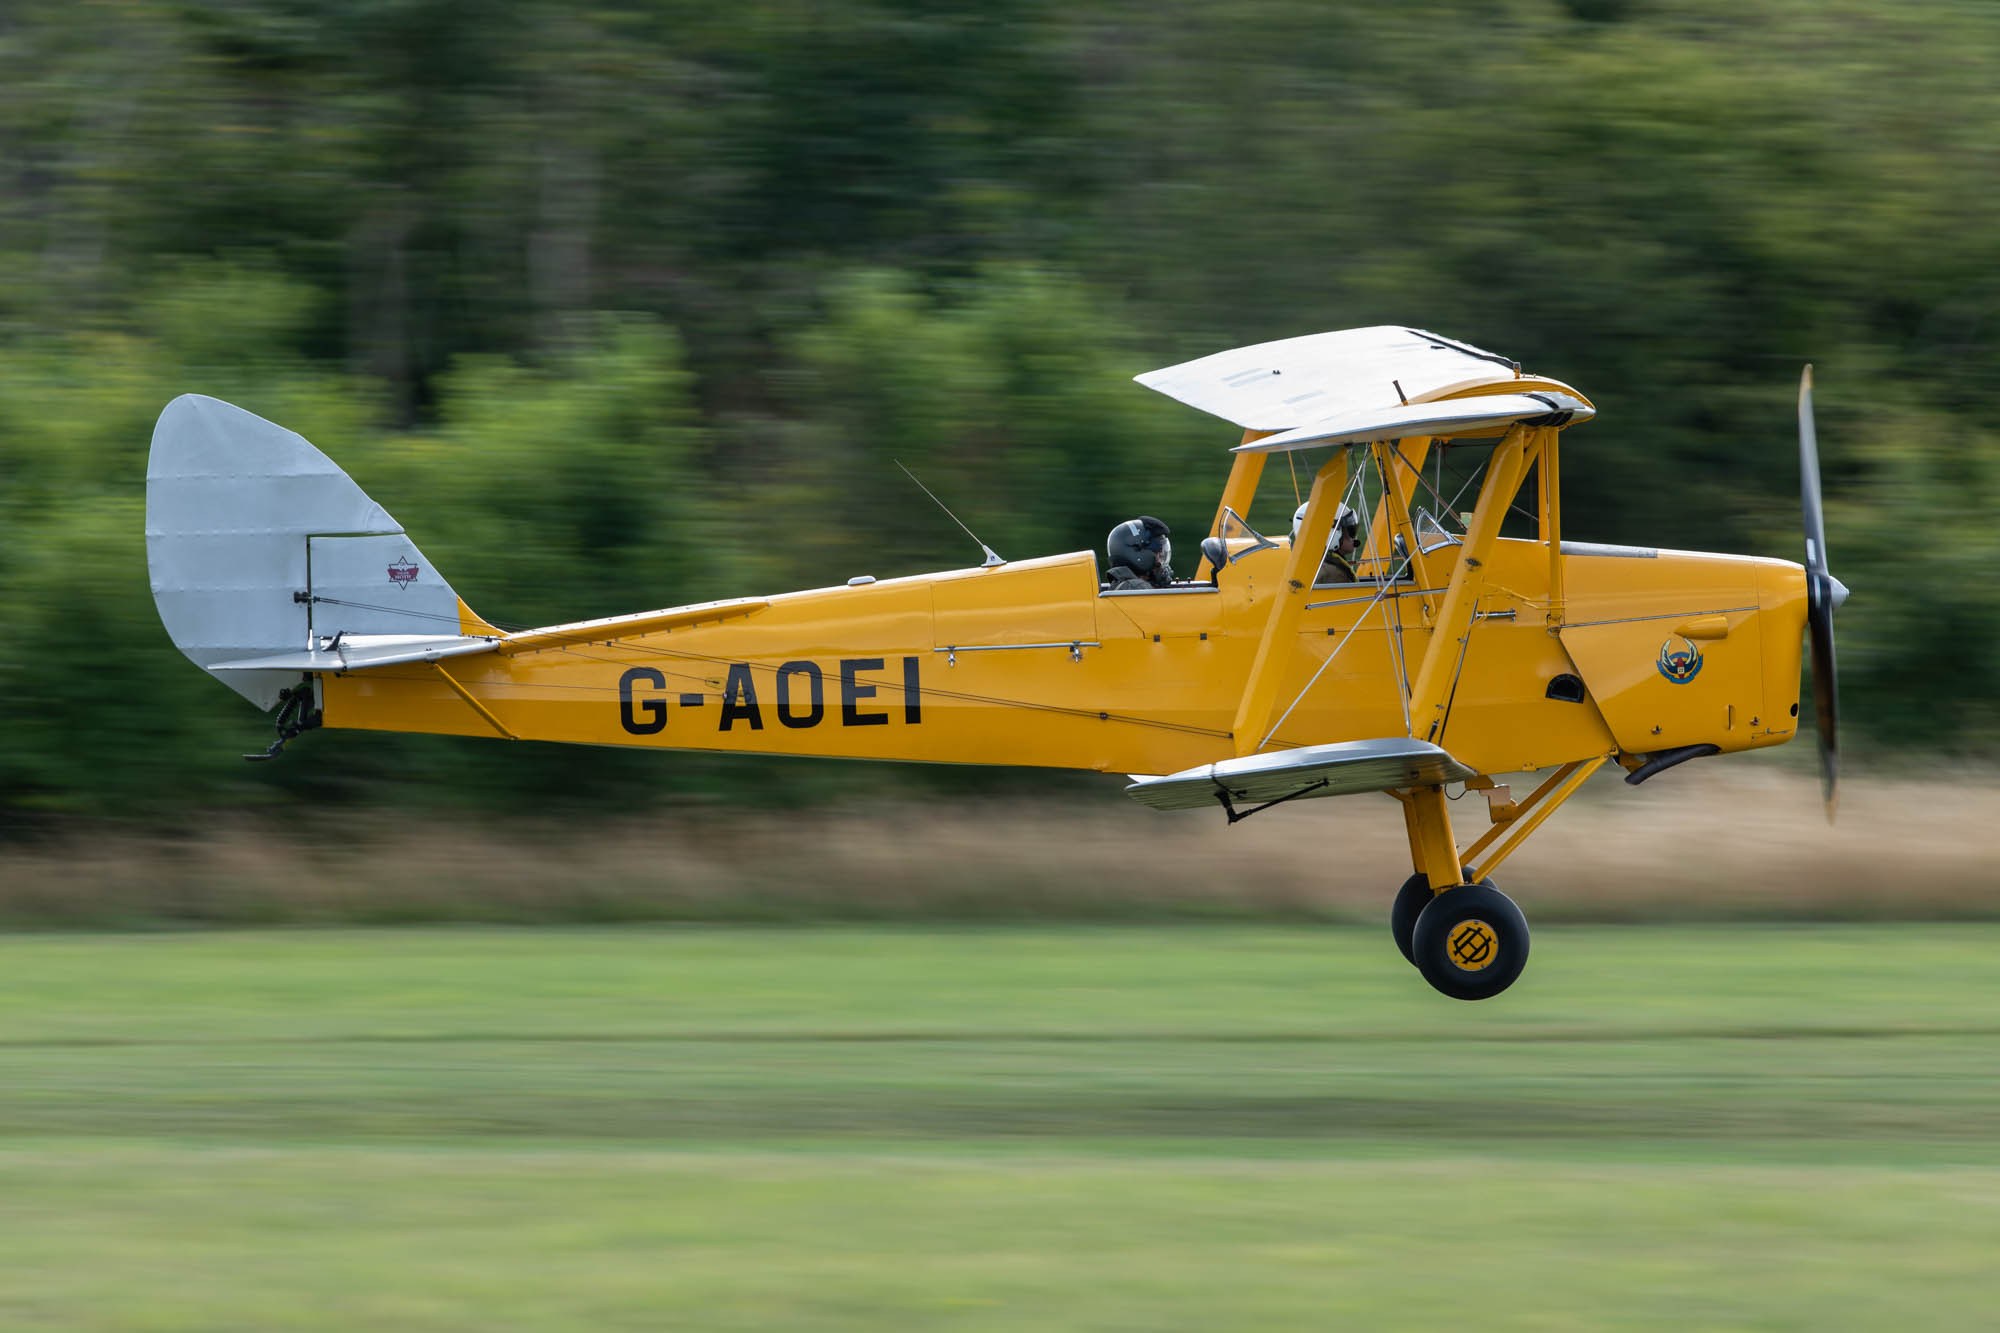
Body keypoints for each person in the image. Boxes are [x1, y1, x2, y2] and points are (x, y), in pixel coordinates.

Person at [1293, 500, 1359, 584]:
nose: (1352, 537)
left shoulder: (1314, 565)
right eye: (1349, 530)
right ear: (1330, 533)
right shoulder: (1332, 574)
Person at [1105, 515, 1174, 589]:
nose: (1161, 562)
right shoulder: (1137, 588)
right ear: (1139, 554)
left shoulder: (1124, 586)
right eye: (1159, 555)